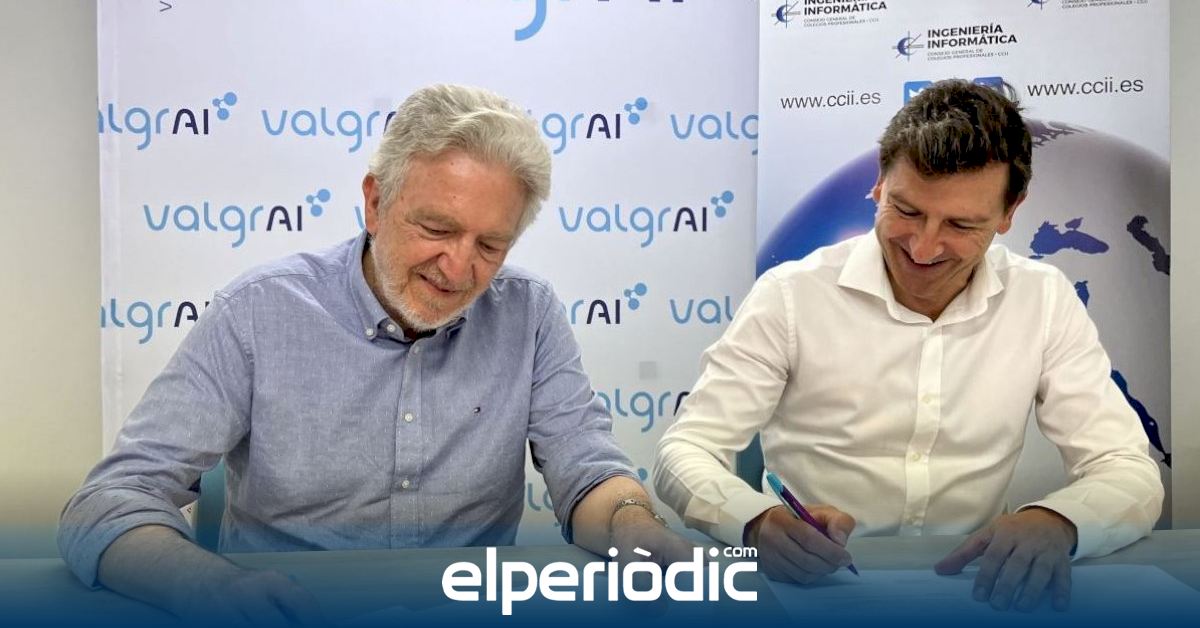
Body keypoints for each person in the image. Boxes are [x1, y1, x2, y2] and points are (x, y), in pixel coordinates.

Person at [60, 84, 692, 625]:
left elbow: (586, 470)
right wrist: (209, 586)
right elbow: (112, 499)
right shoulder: (258, 311)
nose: (458, 268)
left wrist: (633, 524)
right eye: (437, 229)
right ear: (374, 202)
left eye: (490, 246)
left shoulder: (529, 314)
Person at [654, 79, 1163, 613]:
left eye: (961, 224)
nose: (923, 247)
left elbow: (1125, 468)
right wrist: (754, 521)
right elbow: (687, 448)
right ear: (879, 185)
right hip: (813, 593)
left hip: (980, 592)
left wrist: (1059, 522)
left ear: (1010, 212)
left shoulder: (1043, 298)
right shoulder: (791, 295)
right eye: (907, 211)